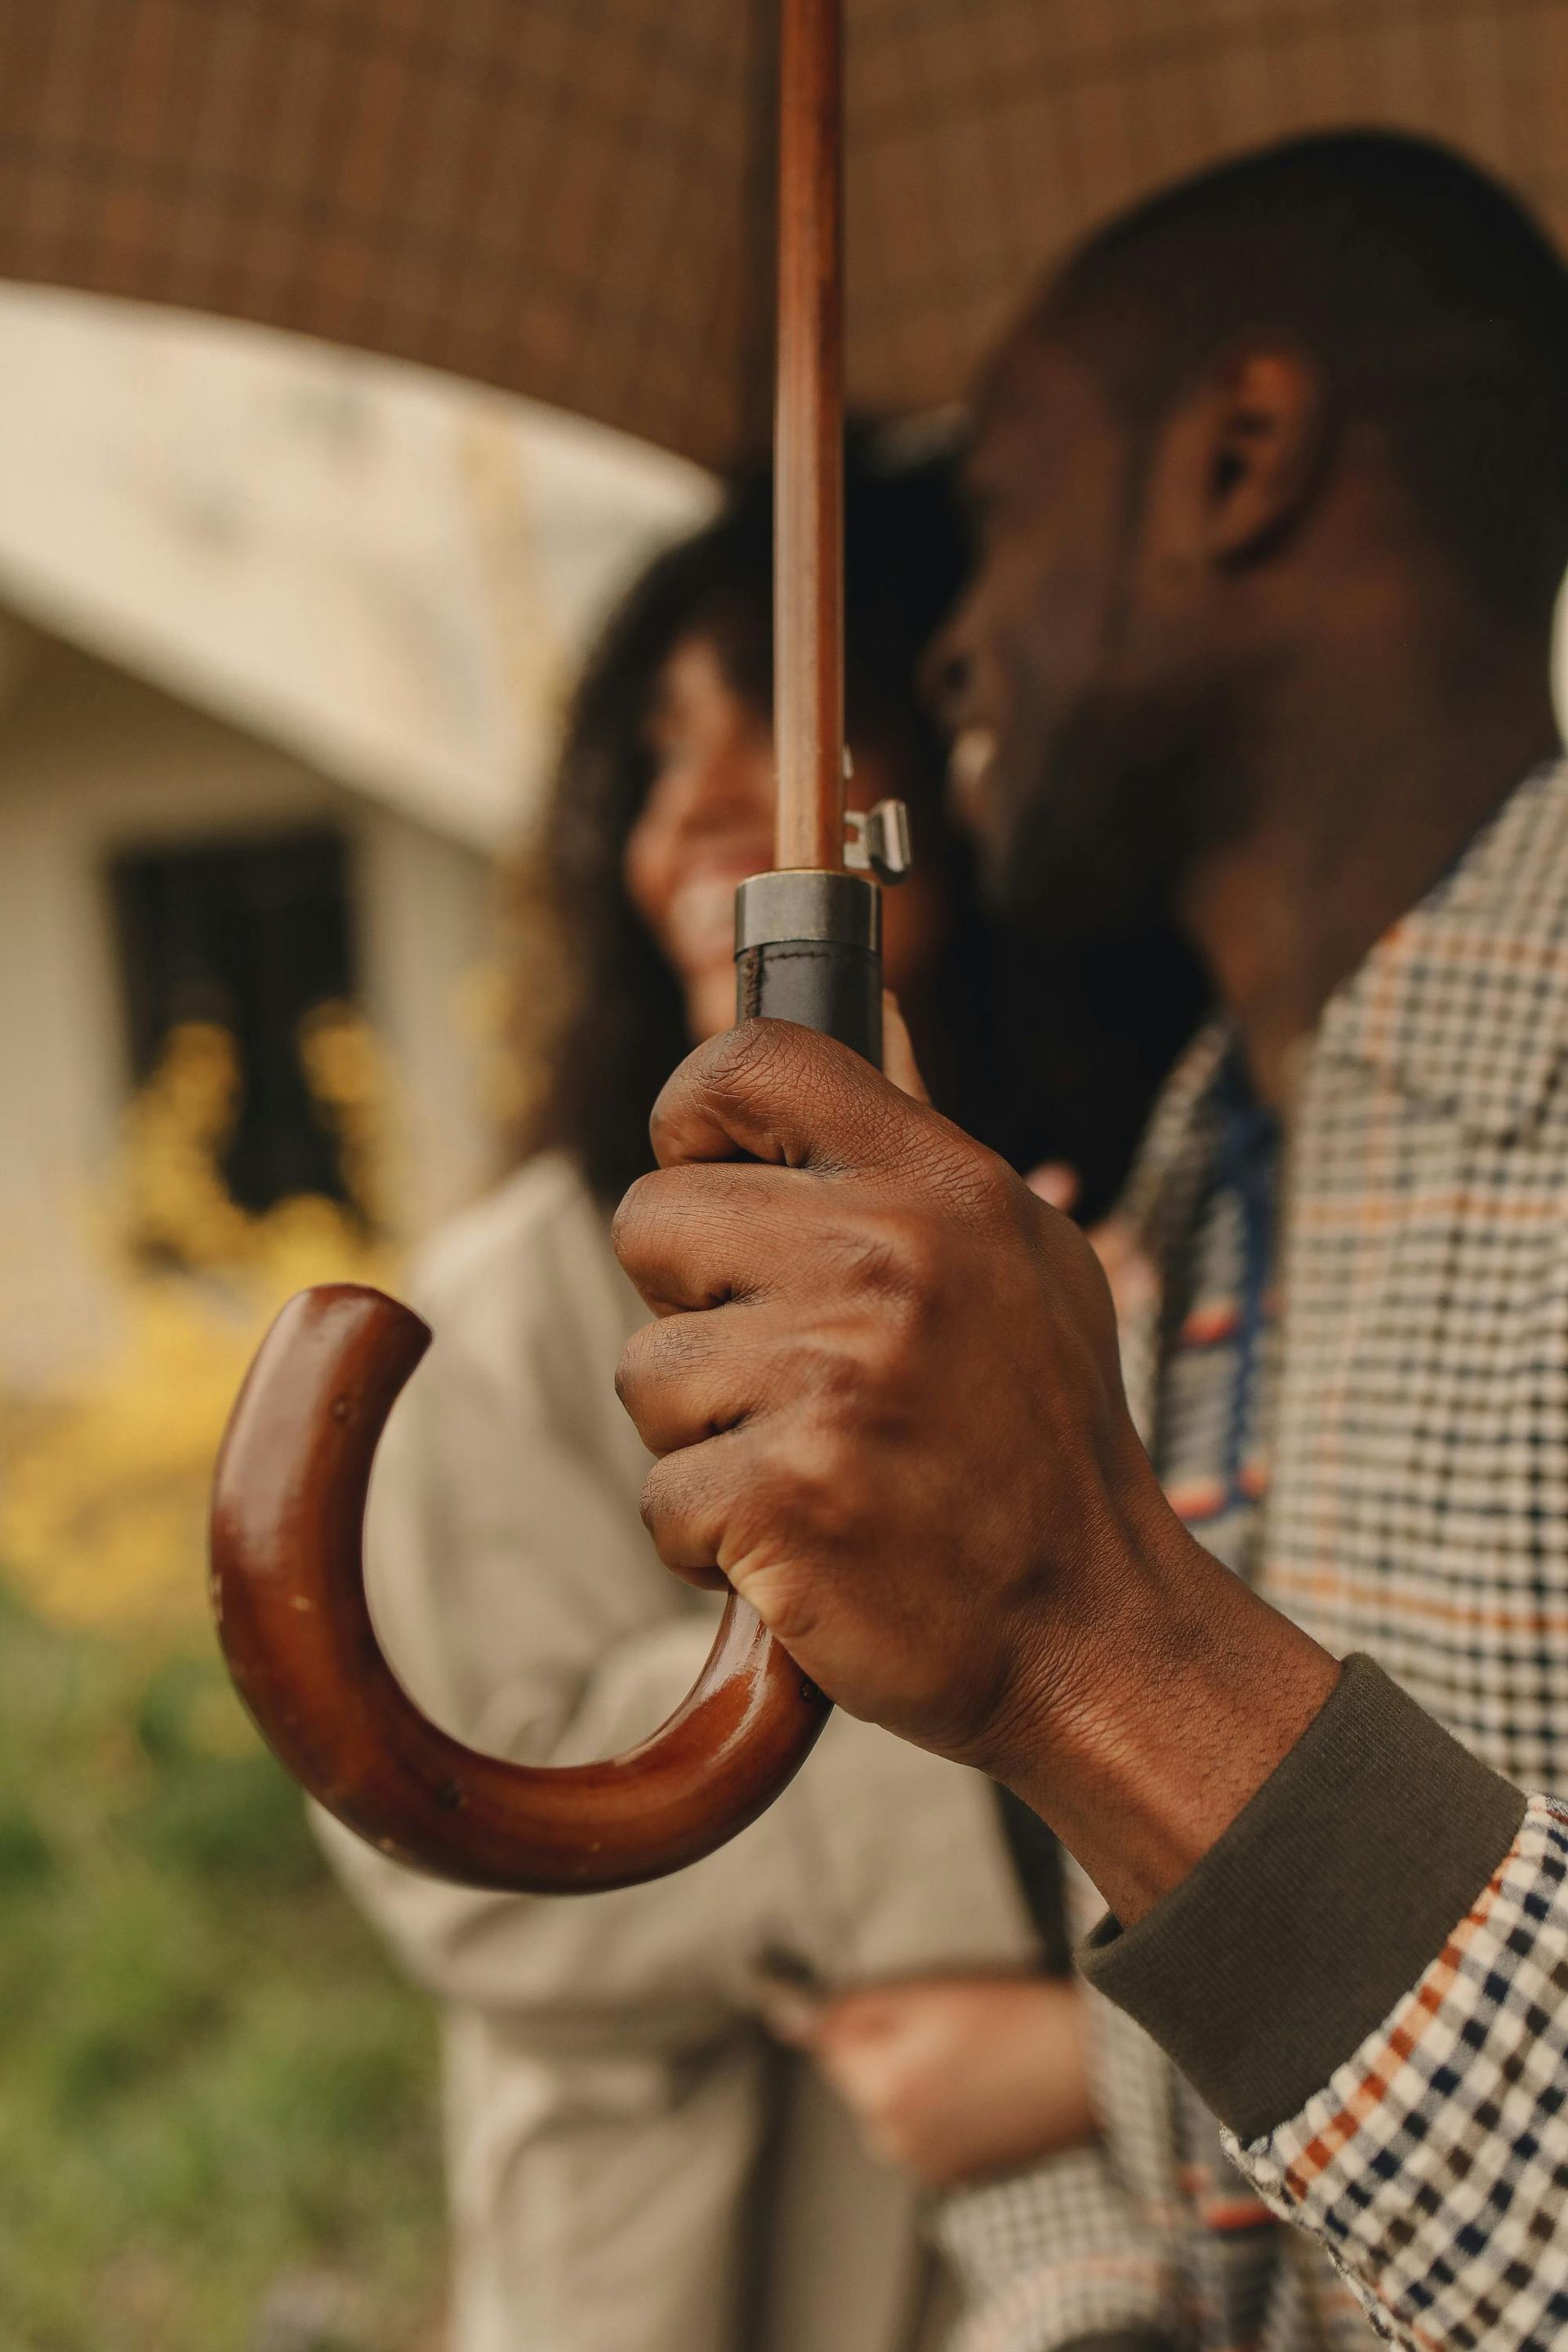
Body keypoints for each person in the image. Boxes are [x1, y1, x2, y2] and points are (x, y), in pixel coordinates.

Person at [610, 133, 1568, 2352]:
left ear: (1241, 458)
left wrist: (1091, 1626)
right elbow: (1194, 2146)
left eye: (1017, 507)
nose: (951, 625)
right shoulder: (1198, 1182)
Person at [318, 445, 1205, 2352]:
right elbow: (476, 1856)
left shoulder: (1159, 1225)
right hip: (683, 2275)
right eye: (656, 748)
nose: (704, 798)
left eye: (781, 725)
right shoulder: (515, 1307)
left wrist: (1081, 2059)